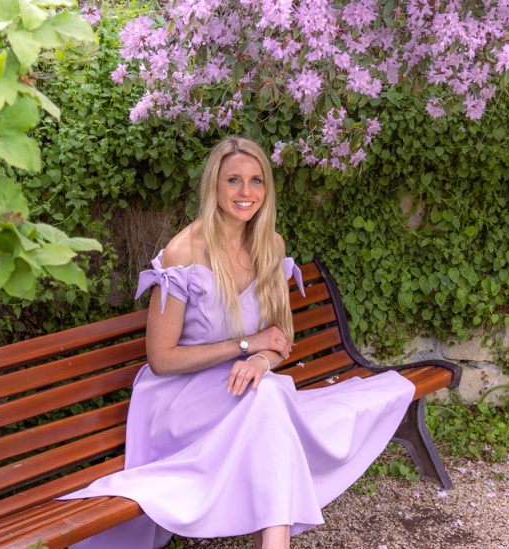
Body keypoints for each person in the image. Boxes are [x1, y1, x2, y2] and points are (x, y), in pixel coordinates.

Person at [59, 137, 416, 549]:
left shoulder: (270, 245)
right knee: (268, 401)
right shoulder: (183, 254)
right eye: (234, 180)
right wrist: (246, 346)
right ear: (214, 186)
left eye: (256, 181)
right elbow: (160, 359)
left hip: (239, 387)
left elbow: (282, 337)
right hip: (177, 400)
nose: (246, 193)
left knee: (267, 395)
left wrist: (262, 361)